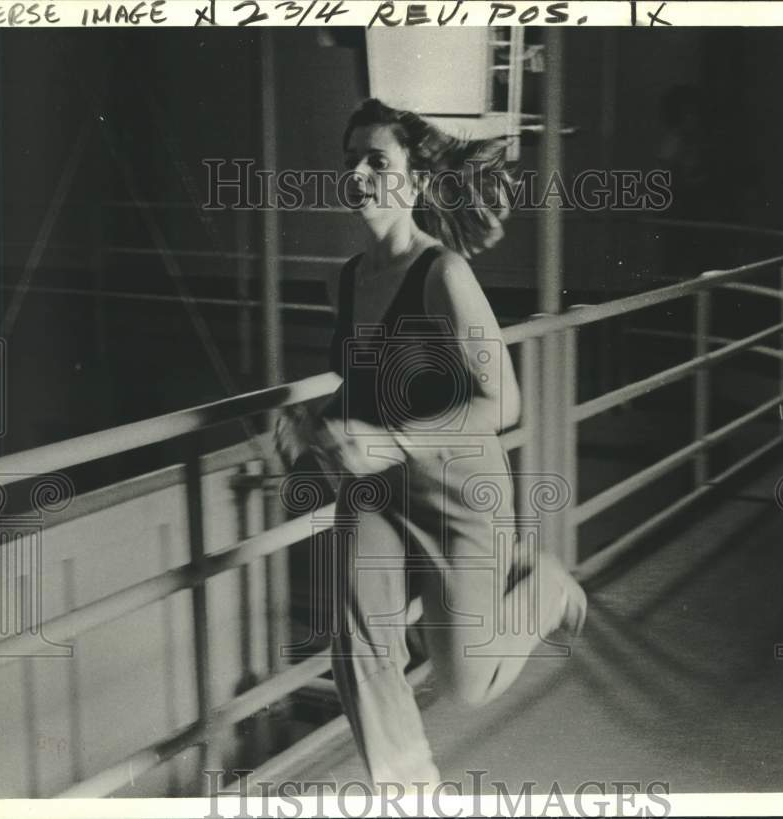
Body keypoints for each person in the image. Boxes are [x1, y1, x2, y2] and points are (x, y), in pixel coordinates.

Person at [276, 98, 586, 789]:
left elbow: (501, 401)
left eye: (377, 160)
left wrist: (388, 442)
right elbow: (363, 381)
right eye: (350, 158)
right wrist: (311, 421)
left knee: (467, 684)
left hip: (457, 488)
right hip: (381, 490)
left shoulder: (443, 274)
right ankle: (410, 788)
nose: (358, 172)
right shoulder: (349, 278)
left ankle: (545, 587)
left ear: (413, 181)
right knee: (355, 630)